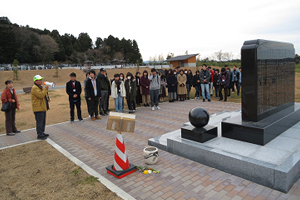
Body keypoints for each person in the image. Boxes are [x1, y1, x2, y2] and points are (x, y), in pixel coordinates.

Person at [31, 75, 50, 140]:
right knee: (39, 122)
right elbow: (40, 95)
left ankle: (42, 132)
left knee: (43, 121)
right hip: (38, 108)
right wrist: (45, 89)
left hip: (42, 107)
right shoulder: (34, 88)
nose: (41, 81)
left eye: (41, 80)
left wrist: (44, 89)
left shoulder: (39, 87)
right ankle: (39, 134)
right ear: (35, 81)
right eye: (39, 80)